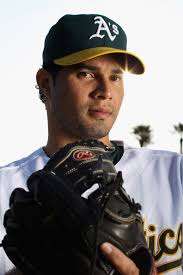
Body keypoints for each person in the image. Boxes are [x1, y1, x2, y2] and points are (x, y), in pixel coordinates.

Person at [0, 13, 182, 275]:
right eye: (86, 73)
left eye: (116, 77)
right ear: (46, 83)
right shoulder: (5, 188)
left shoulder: (175, 174)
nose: (105, 90)